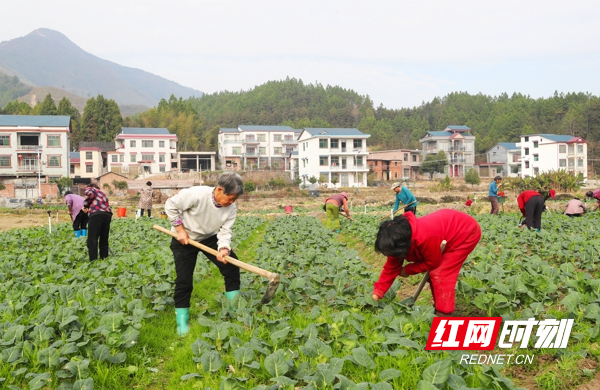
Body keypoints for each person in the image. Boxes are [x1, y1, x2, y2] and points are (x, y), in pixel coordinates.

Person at [164, 172, 244, 336]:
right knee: (184, 280)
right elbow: (170, 205)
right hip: (184, 238)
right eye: (230, 198)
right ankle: (182, 323)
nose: (231, 202)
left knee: (231, 265)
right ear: (220, 190)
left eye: (235, 199)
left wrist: (223, 248)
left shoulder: (231, 208)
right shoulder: (196, 194)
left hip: (208, 237)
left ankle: (233, 309)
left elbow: (225, 231)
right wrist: (179, 230)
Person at [371, 209, 481, 316]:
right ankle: (439, 305)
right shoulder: (397, 238)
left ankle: (444, 314)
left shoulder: (425, 237)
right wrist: (376, 295)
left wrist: (407, 270)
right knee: (433, 275)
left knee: (440, 273)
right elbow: (391, 268)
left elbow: (432, 263)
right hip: (445, 230)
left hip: (465, 232)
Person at [83, 180, 112, 261]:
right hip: (107, 215)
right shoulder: (102, 193)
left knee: (92, 239)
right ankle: (104, 259)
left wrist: (85, 205)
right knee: (104, 238)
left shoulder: (91, 189)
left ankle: (93, 261)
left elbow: (90, 194)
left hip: (96, 215)